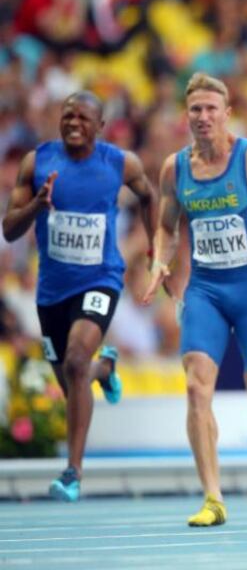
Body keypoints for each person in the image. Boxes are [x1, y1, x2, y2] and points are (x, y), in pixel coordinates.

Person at [141, 73, 247, 527]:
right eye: (195, 109)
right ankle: (212, 497)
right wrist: (161, 260)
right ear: (186, 115)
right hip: (206, 292)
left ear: (226, 113)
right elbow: (167, 226)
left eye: (212, 108)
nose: (203, 117)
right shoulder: (175, 169)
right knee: (197, 387)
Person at [2, 91, 157, 501]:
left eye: (83, 118)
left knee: (74, 361)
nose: (73, 123)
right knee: (74, 384)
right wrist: (37, 205)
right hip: (51, 290)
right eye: (67, 116)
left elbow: (148, 195)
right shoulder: (38, 162)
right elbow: (9, 229)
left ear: (100, 125)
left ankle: (73, 471)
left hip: (100, 280)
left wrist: (156, 244)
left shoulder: (120, 163)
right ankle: (102, 371)